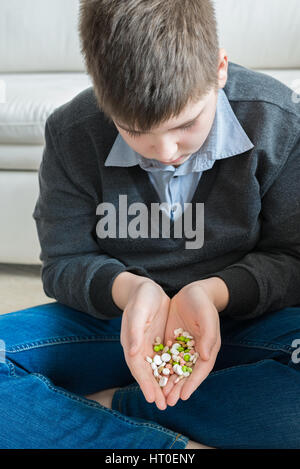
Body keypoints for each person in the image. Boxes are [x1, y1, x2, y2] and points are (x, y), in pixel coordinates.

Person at [0, 0, 300, 449]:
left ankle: (112, 407)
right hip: (112, 325)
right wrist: (132, 290)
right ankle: (164, 447)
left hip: (244, 322)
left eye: (186, 124)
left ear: (219, 69)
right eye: (132, 129)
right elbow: (64, 262)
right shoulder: (71, 130)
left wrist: (213, 292)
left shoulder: (280, 121)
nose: (164, 153)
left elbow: (293, 260)